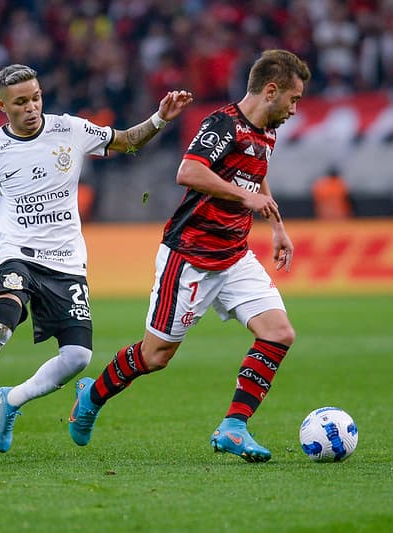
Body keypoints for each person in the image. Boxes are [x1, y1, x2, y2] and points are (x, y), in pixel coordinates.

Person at [0, 64, 192, 451]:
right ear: (2, 105)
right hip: (18, 255)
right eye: (20, 102)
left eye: (36, 98)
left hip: (65, 261)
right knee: (1, 325)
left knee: (79, 357)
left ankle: (11, 400)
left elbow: (128, 141)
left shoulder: (71, 129)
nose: (31, 107)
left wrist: (160, 118)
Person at [69, 49, 311, 463]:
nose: (294, 109)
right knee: (154, 356)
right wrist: (243, 196)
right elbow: (189, 171)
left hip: (234, 255)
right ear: (271, 91)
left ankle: (234, 427)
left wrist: (278, 227)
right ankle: (92, 394)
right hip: (190, 255)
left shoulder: (266, 131)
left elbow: (257, 174)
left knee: (278, 332)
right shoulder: (223, 123)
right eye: (294, 99)